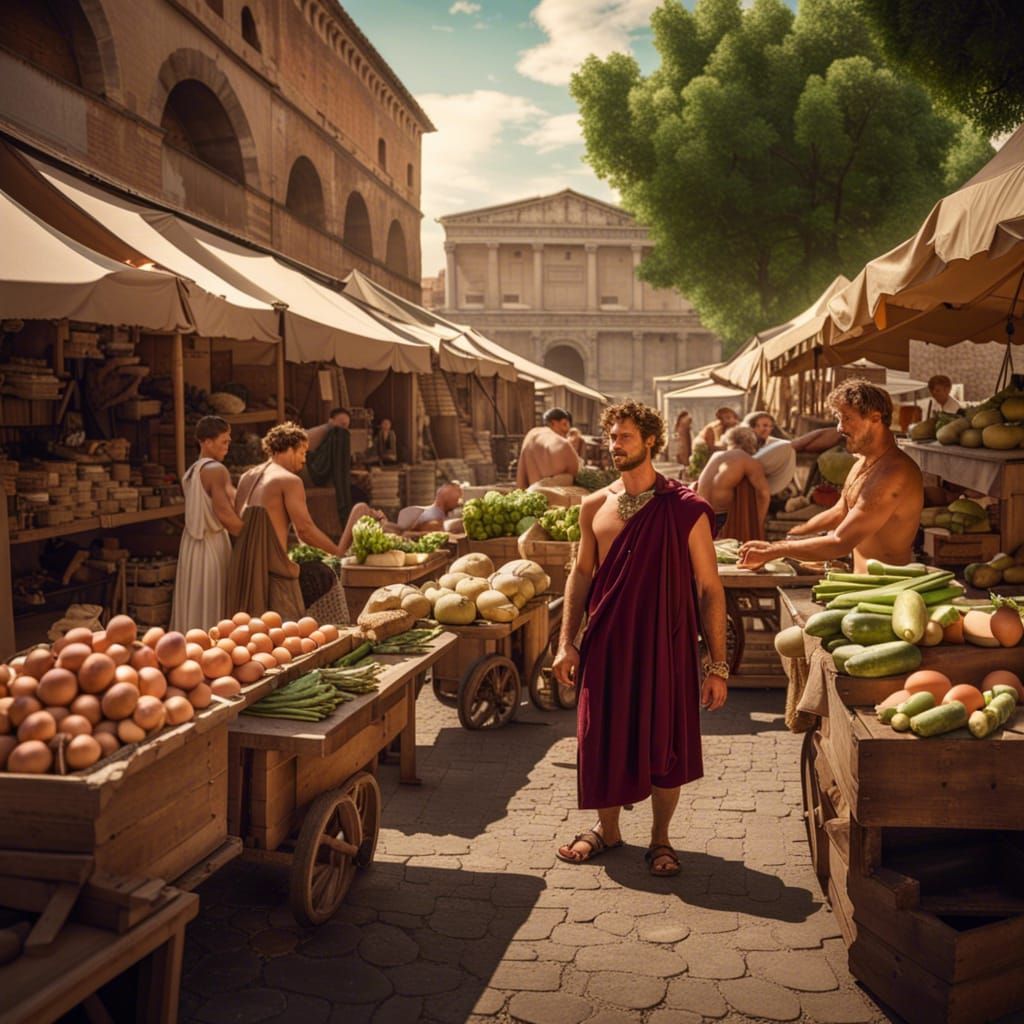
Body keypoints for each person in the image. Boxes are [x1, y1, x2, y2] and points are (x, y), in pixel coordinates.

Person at [552, 400, 728, 877]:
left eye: (625, 436)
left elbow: (710, 588)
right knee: (599, 738)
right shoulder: (594, 505)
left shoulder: (687, 508)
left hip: (665, 647)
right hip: (605, 646)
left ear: (650, 440)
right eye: (611, 437)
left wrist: (716, 665)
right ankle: (607, 831)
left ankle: (660, 839)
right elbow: (581, 573)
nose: (614, 445)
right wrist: (567, 641)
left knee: (666, 741)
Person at [738, 379, 925, 573]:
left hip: (887, 588)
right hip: (860, 582)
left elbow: (839, 542)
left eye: (847, 418)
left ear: (875, 418)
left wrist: (774, 550)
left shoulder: (893, 473)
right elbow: (840, 511)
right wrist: (791, 536)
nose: (839, 428)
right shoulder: (863, 462)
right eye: (838, 419)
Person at [226, 422, 380, 620]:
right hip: (273, 570)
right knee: (323, 583)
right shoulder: (288, 480)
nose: (304, 460)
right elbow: (305, 530)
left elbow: (241, 520)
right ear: (289, 449)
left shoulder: (247, 476)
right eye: (303, 452)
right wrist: (337, 552)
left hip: (243, 565)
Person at [170, 416, 244, 633]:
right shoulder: (215, 470)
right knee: (212, 601)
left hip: (192, 546)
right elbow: (224, 513)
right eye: (224, 441)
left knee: (195, 600)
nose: (228, 447)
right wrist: (251, 535)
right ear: (207, 442)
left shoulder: (192, 470)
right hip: (211, 543)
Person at [696, 426, 771, 542]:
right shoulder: (746, 459)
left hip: (700, 517)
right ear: (752, 444)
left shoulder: (715, 456)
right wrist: (756, 525)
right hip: (721, 519)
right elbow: (765, 494)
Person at [304, 407, 352, 529]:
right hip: (306, 470)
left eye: (346, 426)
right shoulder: (325, 432)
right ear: (331, 421)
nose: (344, 429)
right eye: (342, 424)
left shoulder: (333, 437)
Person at [515, 408, 582, 488]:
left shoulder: (530, 435)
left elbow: (521, 479)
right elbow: (575, 474)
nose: (566, 430)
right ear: (553, 423)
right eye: (564, 424)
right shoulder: (563, 445)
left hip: (533, 494)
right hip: (553, 494)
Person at [396, 482, 463, 532]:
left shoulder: (446, 515)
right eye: (456, 499)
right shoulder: (428, 515)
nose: (458, 503)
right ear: (446, 498)